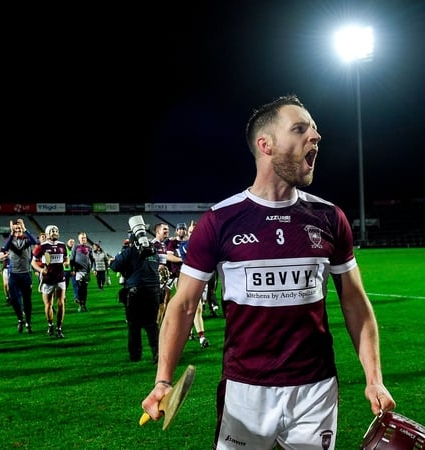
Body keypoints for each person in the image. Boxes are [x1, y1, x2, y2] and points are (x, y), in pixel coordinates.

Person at [140, 94, 395, 448]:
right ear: (266, 145)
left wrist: (374, 378)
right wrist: (163, 381)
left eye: (315, 130)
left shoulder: (329, 218)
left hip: (315, 389)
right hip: (244, 391)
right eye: (300, 128)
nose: (315, 137)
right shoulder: (219, 221)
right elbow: (183, 306)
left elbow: (354, 301)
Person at [110, 232, 161, 363]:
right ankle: (158, 353)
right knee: (152, 325)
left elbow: (115, 266)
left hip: (136, 292)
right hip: (154, 291)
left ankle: (135, 355)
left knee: (134, 325)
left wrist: (116, 261)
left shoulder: (131, 251)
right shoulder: (154, 251)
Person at [0, 219, 38, 333]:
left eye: (19, 228)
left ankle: (28, 322)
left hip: (26, 274)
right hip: (14, 275)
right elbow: (5, 248)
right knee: (14, 299)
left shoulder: (27, 240)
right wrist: (11, 233)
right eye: (16, 228)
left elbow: (35, 241)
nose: (18, 230)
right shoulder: (10, 241)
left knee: (27, 300)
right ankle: (20, 319)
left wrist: (25, 228)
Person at [31, 225, 69, 339]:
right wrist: (41, 270)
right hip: (48, 279)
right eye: (52, 231)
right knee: (48, 305)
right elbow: (33, 262)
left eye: (56, 231)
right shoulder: (41, 247)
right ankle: (50, 324)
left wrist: (67, 262)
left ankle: (59, 328)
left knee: (61, 303)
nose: (54, 232)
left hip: (60, 278)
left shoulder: (62, 245)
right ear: (47, 234)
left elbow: (66, 258)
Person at [69, 232, 94, 312]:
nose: (84, 239)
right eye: (82, 238)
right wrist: (72, 269)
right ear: (79, 239)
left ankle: (84, 305)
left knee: (85, 289)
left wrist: (92, 267)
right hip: (78, 272)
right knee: (80, 289)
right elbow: (72, 259)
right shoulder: (75, 247)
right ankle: (80, 305)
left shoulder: (89, 247)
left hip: (86, 271)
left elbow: (92, 259)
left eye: (85, 238)